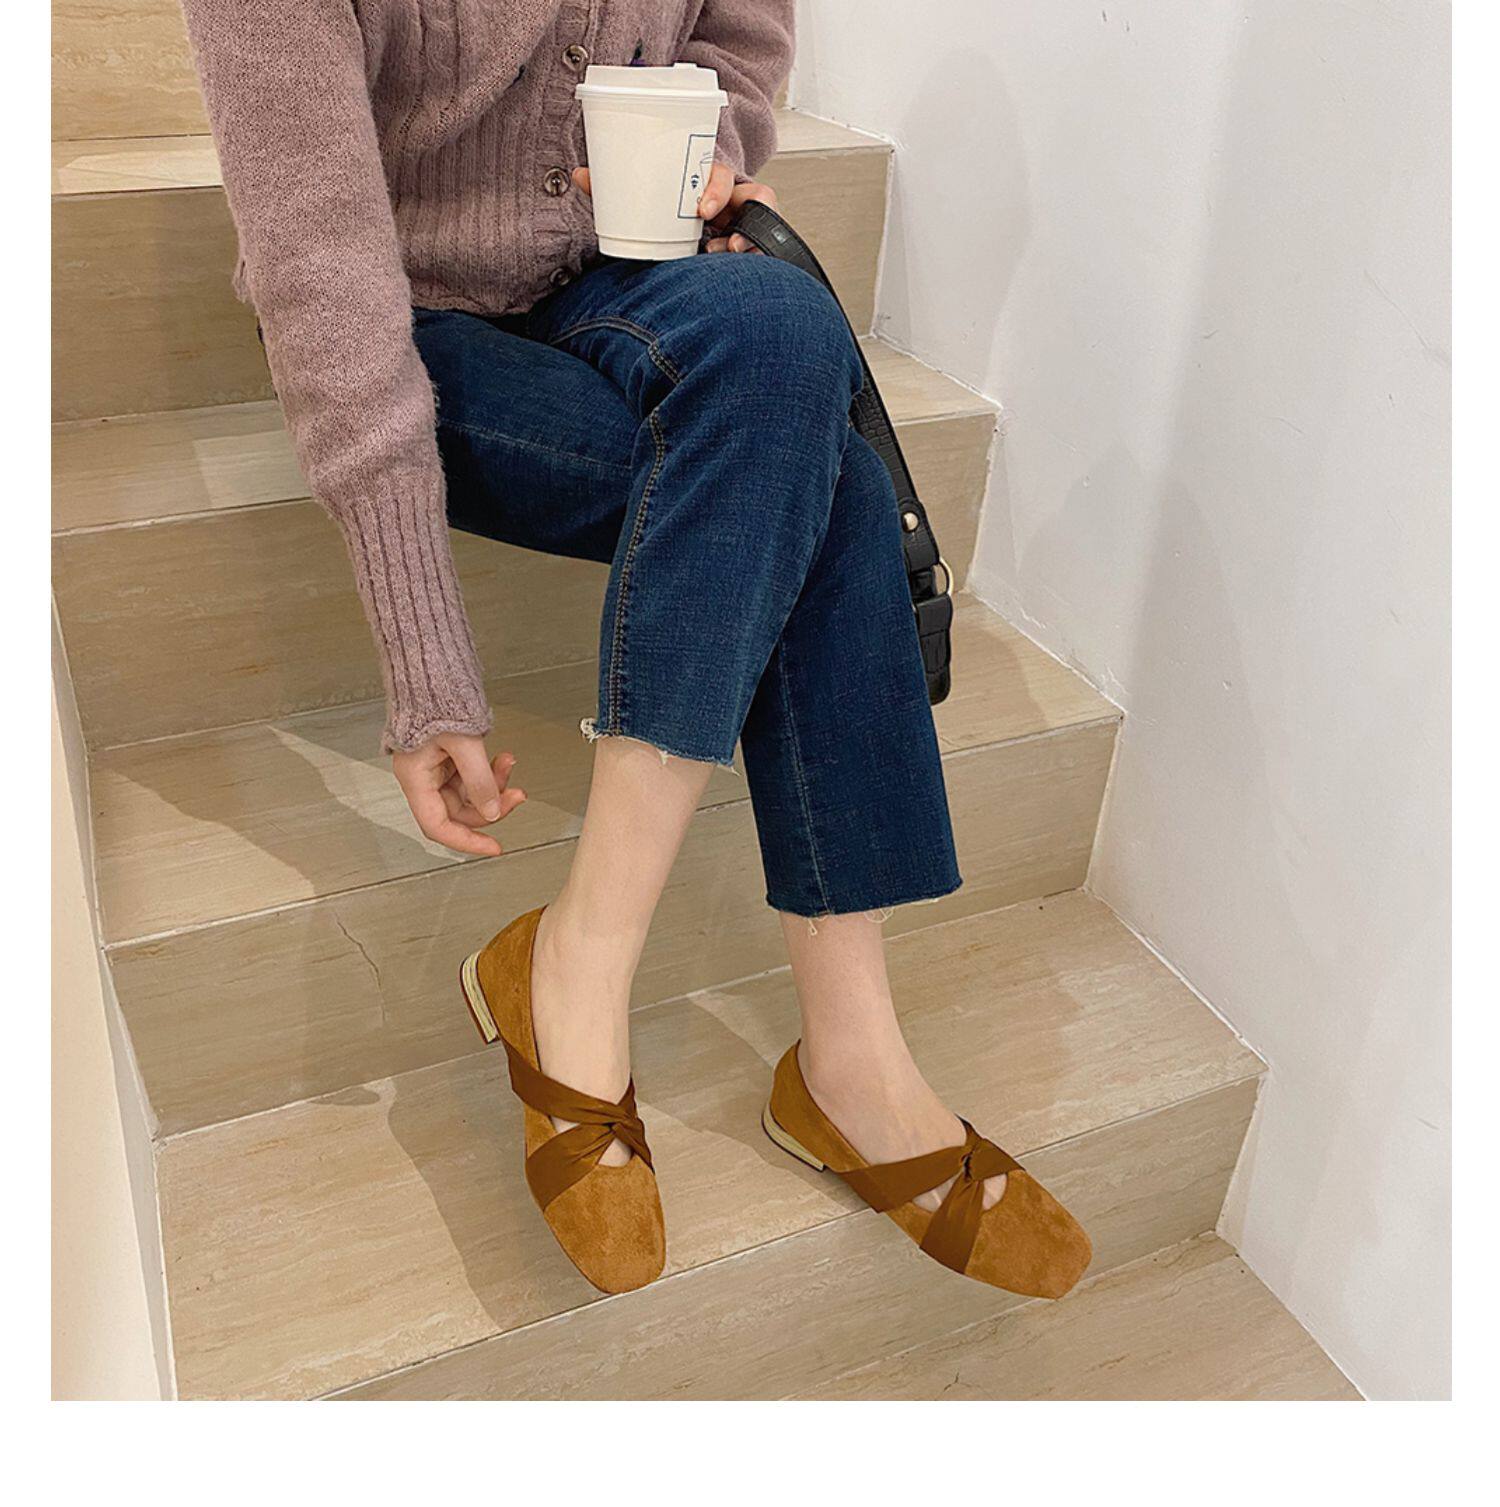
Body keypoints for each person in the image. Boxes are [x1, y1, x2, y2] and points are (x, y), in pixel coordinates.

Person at [183, 0, 1090, 1299]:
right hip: (402, 320)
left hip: (620, 266)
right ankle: (815, 1056)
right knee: (817, 477)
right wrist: (423, 652)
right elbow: (320, 271)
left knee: (786, 329)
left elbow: (739, 36)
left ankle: (601, 966)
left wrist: (710, 144)